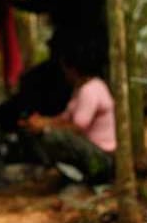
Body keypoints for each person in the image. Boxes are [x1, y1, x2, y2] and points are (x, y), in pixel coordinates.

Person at [0, 0, 108, 130]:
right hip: (76, 58)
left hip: (80, 57)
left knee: (40, 86)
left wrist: (11, 2)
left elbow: (41, 4)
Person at [19, 42, 116, 185]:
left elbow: (78, 127)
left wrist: (45, 127)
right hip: (93, 151)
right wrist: (41, 121)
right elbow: (64, 118)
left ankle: (87, 176)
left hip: (101, 156)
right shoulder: (81, 88)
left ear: (73, 69)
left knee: (51, 137)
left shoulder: (89, 90)